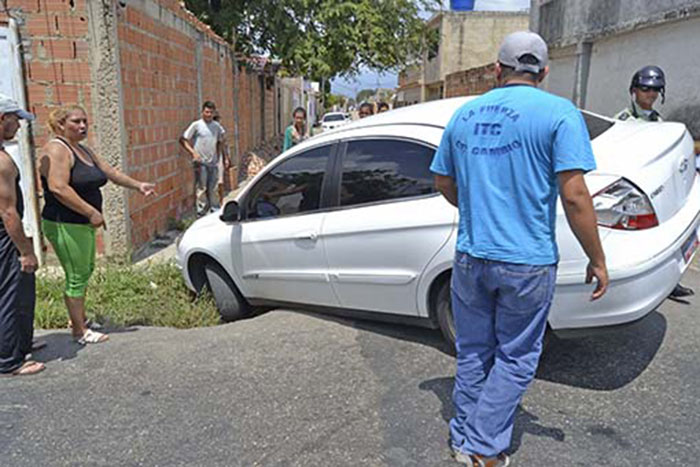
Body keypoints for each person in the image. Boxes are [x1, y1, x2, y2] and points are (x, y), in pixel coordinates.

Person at [431, 31, 608, 466]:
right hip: (526, 263)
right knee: (516, 357)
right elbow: (575, 196)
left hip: (472, 256)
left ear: (497, 69)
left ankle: (463, 436)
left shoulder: (464, 115)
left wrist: (476, 207)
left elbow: (442, 182)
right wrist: (597, 258)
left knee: (474, 350)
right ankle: (482, 448)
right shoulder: (558, 114)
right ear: (544, 72)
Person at [38, 105, 155, 345]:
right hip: (65, 222)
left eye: (85, 121)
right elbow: (58, 187)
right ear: (61, 125)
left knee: (85, 270)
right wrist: (91, 212)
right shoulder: (57, 149)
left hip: (80, 223)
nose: (82, 126)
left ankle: (78, 320)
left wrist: (138, 185)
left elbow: (109, 172)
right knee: (77, 275)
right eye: (76, 122)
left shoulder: (82, 150)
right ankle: (79, 332)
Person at [613, 66, 694, 299]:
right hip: (634, 191)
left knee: (666, 238)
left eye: (656, 90)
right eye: (646, 89)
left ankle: (669, 282)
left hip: (658, 188)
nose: (651, 95)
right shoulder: (623, 120)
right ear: (634, 91)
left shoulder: (658, 120)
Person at [0, 94, 44, 376]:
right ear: (3, 119)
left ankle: (20, 344)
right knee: (10, 295)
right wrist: (26, 250)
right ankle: (8, 360)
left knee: (21, 292)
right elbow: (8, 212)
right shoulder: (2, 163)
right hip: (5, 237)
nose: (19, 125)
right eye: (16, 119)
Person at [180, 101, 225, 216]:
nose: (208, 114)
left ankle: (215, 210)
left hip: (213, 163)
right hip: (201, 163)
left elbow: (221, 141)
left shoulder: (217, 126)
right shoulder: (196, 125)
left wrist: (219, 156)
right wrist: (193, 153)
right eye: (206, 112)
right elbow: (183, 140)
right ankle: (202, 212)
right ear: (202, 112)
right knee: (202, 188)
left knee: (213, 188)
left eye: (211, 112)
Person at [212, 112, 232, 205]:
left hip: (218, 158)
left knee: (220, 182)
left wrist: (226, 158)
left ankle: (220, 202)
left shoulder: (220, 131)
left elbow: (224, 145)